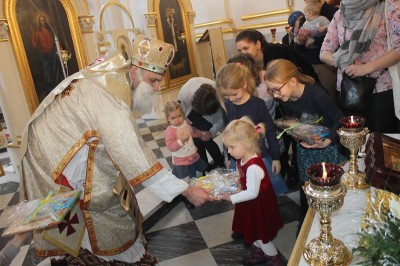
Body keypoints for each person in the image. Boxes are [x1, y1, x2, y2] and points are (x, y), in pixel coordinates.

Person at [18, 35, 211, 265]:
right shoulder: (108, 95)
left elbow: (126, 142)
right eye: (153, 80)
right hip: (53, 154)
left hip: (67, 145)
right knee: (101, 204)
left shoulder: (113, 72)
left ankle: (89, 253)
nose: (158, 88)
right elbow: (134, 154)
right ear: (134, 72)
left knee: (110, 193)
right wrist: (186, 190)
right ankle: (99, 256)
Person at [264, 59, 347, 235]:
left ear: (293, 81)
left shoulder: (315, 94)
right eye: (271, 91)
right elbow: (296, 121)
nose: (275, 95)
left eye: (276, 89)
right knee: (307, 187)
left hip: (327, 149)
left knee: (327, 187)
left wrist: (327, 141)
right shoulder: (285, 98)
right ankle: (306, 225)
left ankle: (334, 225)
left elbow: (339, 118)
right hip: (304, 148)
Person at [320, 0, 400, 133]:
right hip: (348, 90)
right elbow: (324, 52)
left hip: (380, 88)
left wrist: (367, 68)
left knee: (379, 144)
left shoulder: (389, 6)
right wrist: (343, 62)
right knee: (353, 144)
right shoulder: (340, 14)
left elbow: (398, 48)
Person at [215, 63, 288, 197]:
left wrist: (276, 158)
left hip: (260, 157)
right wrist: (227, 156)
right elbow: (227, 134)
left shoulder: (258, 104)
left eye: (234, 94)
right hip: (237, 160)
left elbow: (271, 131)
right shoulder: (227, 106)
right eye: (226, 96)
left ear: (244, 84)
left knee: (264, 193)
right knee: (243, 194)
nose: (231, 99)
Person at [219, 117, 284, 266]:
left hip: (258, 206)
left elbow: (252, 193)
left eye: (231, 147)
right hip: (249, 205)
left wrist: (231, 198)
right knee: (252, 231)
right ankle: (258, 252)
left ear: (246, 144)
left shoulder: (253, 166)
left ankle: (275, 259)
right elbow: (241, 177)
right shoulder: (241, 159)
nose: (229, 151)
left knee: (261, 236)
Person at [294, 0, 339, 102]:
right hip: (305, 66)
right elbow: (297, 50)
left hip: (325, 65)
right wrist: (300, 42)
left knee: (328, 100)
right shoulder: (303, 19)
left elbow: (339, 40)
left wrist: (313, 41)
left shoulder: (334, 12)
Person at [177, 77, 225, 171]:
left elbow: (222, 118)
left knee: (206, 139)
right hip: (190, 110)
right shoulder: (186, 93)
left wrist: (211, 132)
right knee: (197, 141)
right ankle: (205, 169)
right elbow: (180, 111)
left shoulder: (220, 96)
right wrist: (188, 124)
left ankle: (222, 165)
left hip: (209, 109)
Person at [235, 29, 319, 82]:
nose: (243, 53)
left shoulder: (279, 52)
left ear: (258, 44)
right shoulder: (247, 62)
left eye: (246, 48)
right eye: (239, 50)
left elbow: (292, 77)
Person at [164, 101, 207, 180]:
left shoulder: (185, 123)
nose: (177, 120)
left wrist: (201, 134)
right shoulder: (170, 131)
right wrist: (181, 141)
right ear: (168, 119)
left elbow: (192, 132)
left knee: (198, 176)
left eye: (179, 116)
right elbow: (171, 147)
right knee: (186, 180)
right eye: (173, 118)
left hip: (193, 156)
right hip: (182, 162)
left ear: (183, 115)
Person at [31, 15, 63, 98]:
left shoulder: (48, 31)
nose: (43, 22)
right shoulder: (38, 33)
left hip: (51, 54)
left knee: (54, 70)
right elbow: (34, 44)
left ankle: (57, 87)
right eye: (41, 21)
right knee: (47, 73)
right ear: (39, 22)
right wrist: (34, 37)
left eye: (44, 20)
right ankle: (51, 89)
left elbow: (52, 42)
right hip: (44, 55)